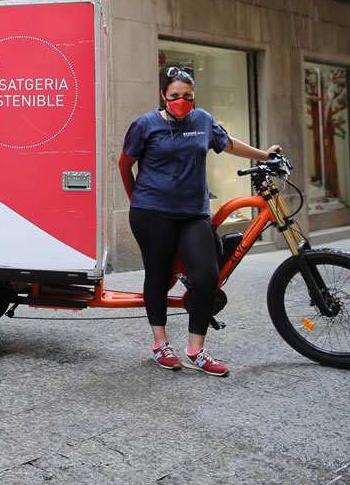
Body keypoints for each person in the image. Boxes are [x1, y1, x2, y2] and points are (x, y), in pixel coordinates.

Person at [119, 66, 281, 376]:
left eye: (187, 96)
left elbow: (228, 144)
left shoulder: (203, 120)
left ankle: (196, 349)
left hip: (193, 213)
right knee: (158, 276)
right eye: (175, 95)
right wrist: (136, 200)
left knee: (207, 278)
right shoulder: (145, 125)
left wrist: (265, 156)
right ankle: (160, 344)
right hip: (152, 213)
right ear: (163, 96)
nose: (181, 101)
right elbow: (125, 164)